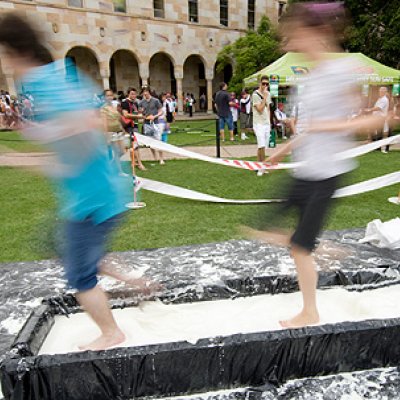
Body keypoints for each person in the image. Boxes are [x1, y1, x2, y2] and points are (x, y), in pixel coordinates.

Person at [0, 12, 158, 351]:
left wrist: (24, 150)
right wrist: (26, 143)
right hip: (96, 195)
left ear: (15, 53)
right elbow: (78, 137)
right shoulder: (54, 79)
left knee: (80, 276)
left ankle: (111, 333)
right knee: (64, 247)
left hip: (94, 199)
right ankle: (134, 281)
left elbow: (86, 133)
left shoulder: (49, 84)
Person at [242, 2, 387, 328]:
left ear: (317, 33)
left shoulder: (343, 70)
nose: (289, 44)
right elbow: (309, 128)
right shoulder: (311, 77)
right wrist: (283, 150)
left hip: (327, 173)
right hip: (303, 170)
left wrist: (328, 127)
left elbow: (368, 120)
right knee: (259, 229)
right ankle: (319, 245)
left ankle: (310, 310)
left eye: (294, 36)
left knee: (299, 249)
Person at [121, 87, 146, 171]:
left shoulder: (135, 103)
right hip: (128, 127)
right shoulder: (125, 102)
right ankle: (139, 163)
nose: (134, 95)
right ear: (128, 94)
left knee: (133, 145)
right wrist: (137, 116)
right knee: (134, 145)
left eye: (135, 94)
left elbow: (137, 114)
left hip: (134, 126)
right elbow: (125, 115)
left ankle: (133, 163)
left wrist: (141, 116)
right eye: (132, 93)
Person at [252, 76, 272, 175]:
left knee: (263, 146)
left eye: (267, 84)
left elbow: (268, 109)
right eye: (263, 83)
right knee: (261, 144)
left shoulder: (268, 94)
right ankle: (262, 167)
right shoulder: (255, 94)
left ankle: (259, 165)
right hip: (258, 122)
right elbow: (259, 109)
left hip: (266, 123)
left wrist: (269, 122)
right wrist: (264, 97)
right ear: (260, 83)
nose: (265, 86)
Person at [139, 86, 165, 164]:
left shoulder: (156, 101)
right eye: (143, 91)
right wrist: (143, 115)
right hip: (146, 124)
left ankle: (161, 158)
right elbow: (140, 113)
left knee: (158, 141)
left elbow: (161, 111)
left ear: (149, 92)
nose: (145, 93)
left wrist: (154, 116)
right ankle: (155, 157)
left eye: (146, 91)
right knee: (150, 142)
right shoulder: (141, 102)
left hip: (155, 123)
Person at [365, 87, 389, 152]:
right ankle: (375, 147)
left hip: (380, 118)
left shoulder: (384, 99)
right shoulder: (380, 99)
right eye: (379, 91)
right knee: (376, 132)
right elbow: (376, 107)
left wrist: (369, 110)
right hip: (377, 118)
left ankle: (378, 148)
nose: (380, 92)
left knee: (379, 133)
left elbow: (378, 108)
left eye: (382, 91)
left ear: (385, 92)